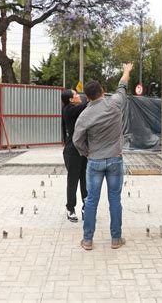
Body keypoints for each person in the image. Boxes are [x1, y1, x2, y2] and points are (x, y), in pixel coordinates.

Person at [73, 63, 133, 250]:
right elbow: (122, 86)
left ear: (87, 96)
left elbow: (77, 140)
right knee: (115, 199)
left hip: (95, 161)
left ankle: (88, 240)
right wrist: (126, 71)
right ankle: (116, 239)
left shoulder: (84, 115)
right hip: (115, 159)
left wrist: (86, 152)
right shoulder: (115, 103)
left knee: (91, 200)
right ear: (103, 91)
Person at [61, 89, 88, 223]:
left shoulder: (74, 109)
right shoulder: (69, 109)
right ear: (71, 99)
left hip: (82, 150)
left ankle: (86, 207)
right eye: (76, 95)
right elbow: (86, 106)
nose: (79, 96)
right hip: (72, 152)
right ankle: (70, 209)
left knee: (85, 180)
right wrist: (92, 97)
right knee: (73, 181)